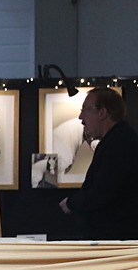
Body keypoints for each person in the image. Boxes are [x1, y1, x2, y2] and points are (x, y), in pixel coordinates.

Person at [59, 88, 138, 239]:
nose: (81, 117)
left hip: (115, 241)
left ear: (102, 113)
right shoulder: (120, 139)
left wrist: (71, 203)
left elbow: (103, 191)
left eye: (85, 110)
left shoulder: (118, 144)